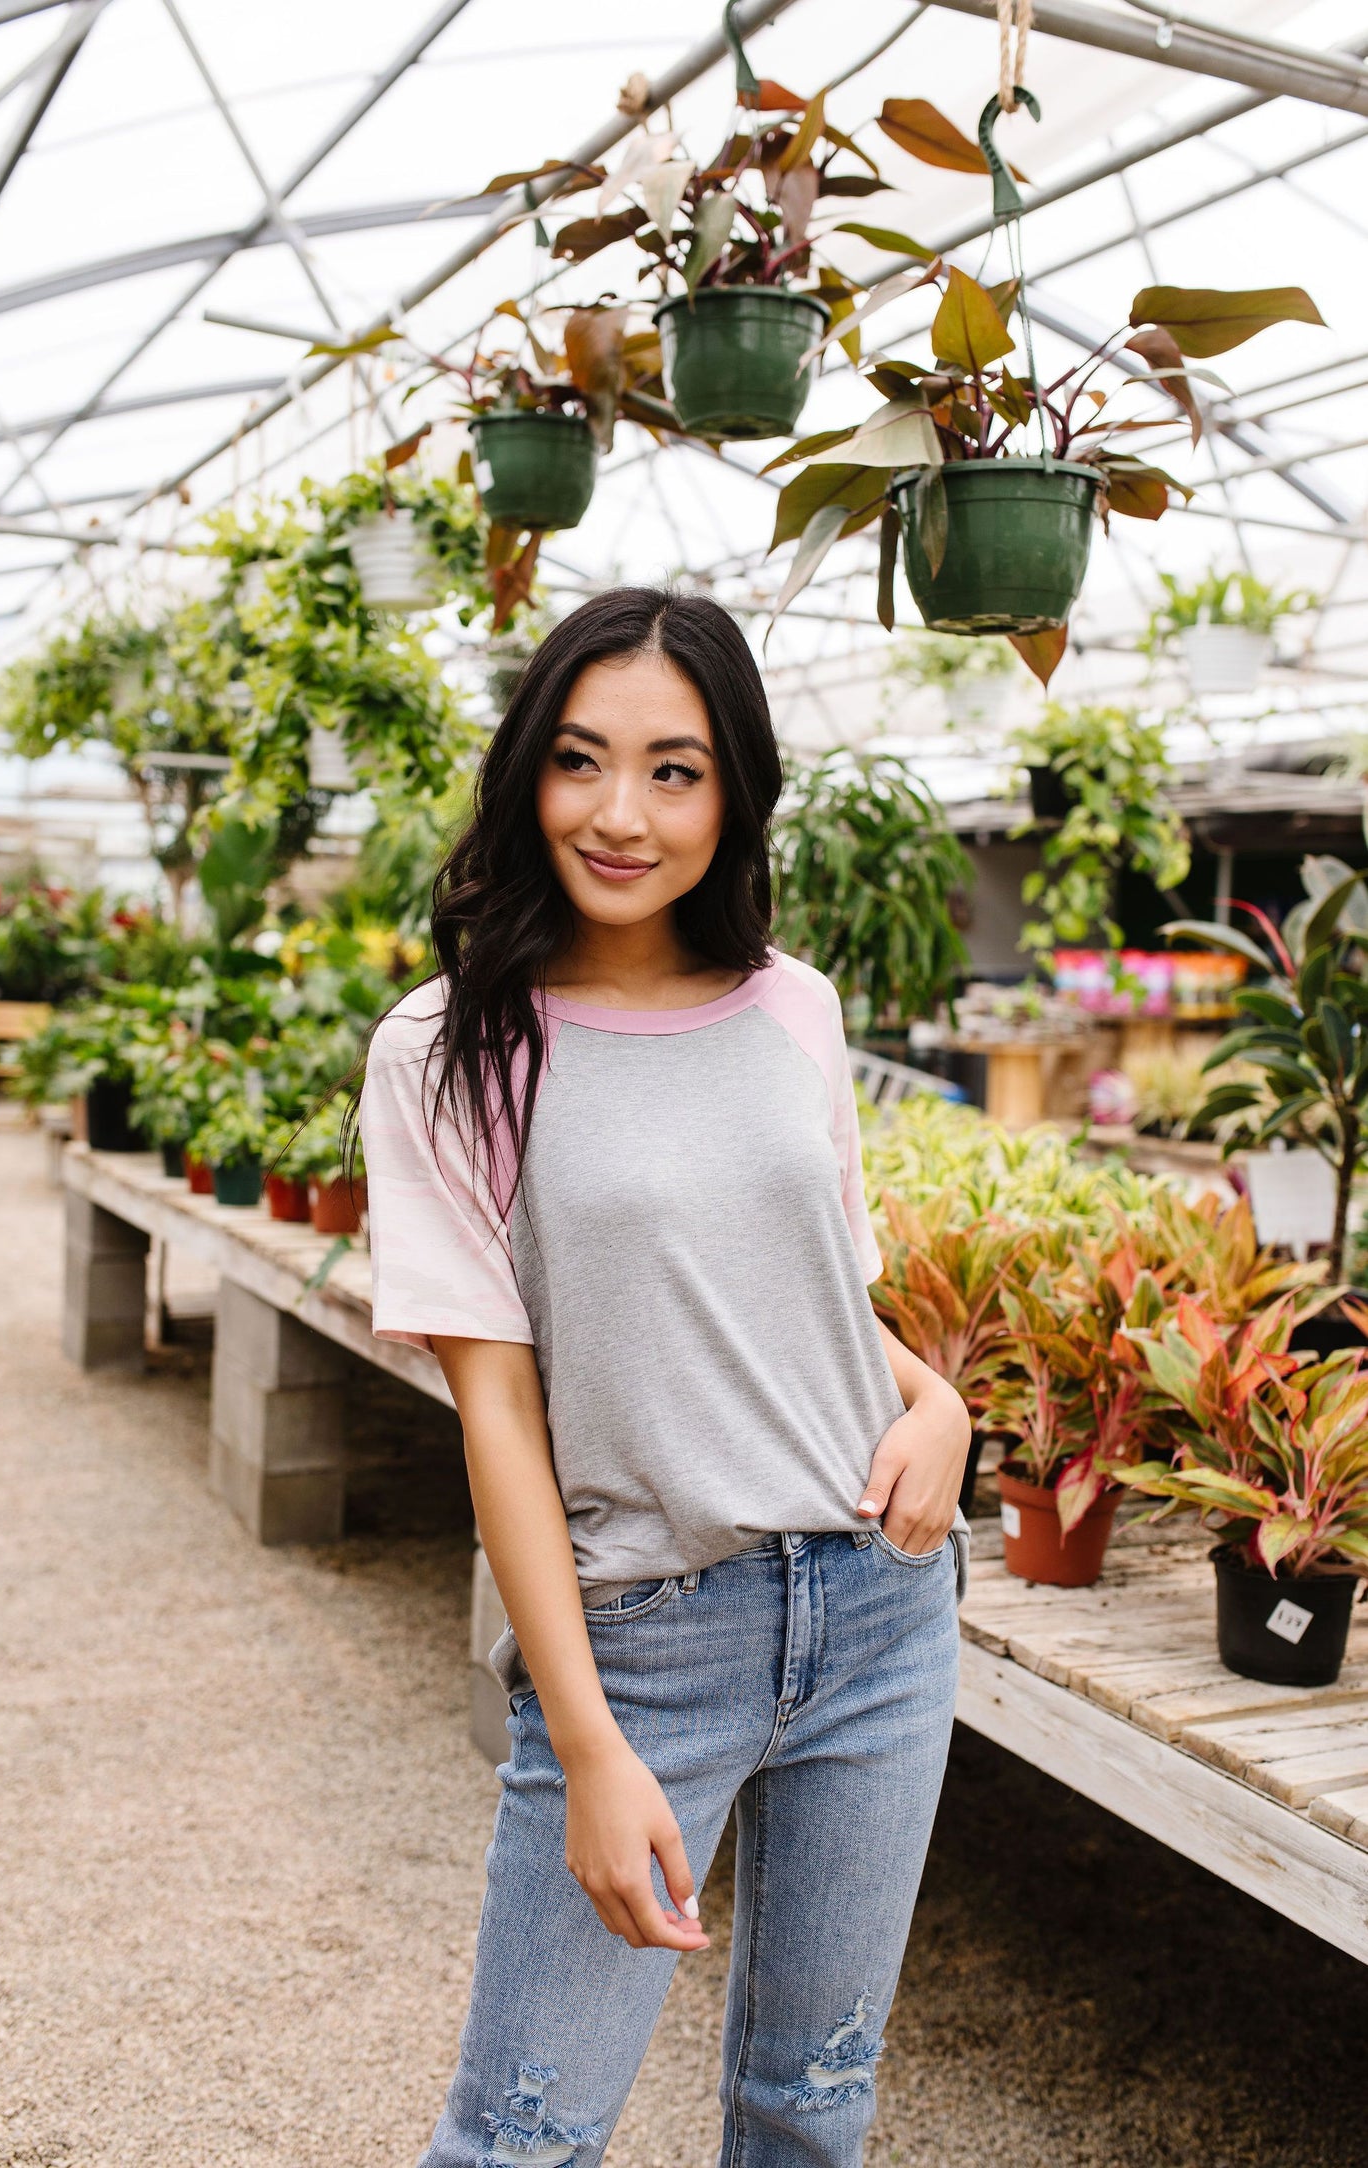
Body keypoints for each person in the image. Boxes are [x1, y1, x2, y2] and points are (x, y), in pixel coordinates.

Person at [360, 587, 971, 2168]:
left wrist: (940, 1403)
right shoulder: (447, 1051)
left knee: (811, 2103)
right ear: (525, 773)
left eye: (674, 770)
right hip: (646, 1630)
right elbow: (494, 1411)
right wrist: (585, 1744)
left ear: (735, 788)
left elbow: (822, 1288)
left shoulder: (792, 1008)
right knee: (523, 2134)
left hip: (880, 1606)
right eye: (579, 760)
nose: (619, 814)